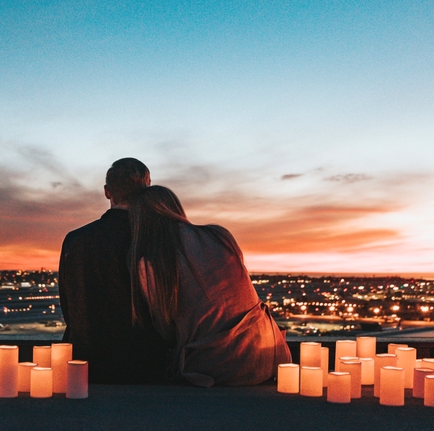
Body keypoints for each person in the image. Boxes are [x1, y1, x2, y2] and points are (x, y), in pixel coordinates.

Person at [128, 185, 290, 387]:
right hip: (269, 355)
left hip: (215, 367)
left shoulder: (151, 263)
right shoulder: (219, 235)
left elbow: (165, 328)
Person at [58, 158, 170, 383]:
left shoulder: (75, 240)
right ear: (147, 190)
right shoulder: (157, 240)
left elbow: (69, 309)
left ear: (107, 192)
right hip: (145, 366)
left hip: (85, 364)